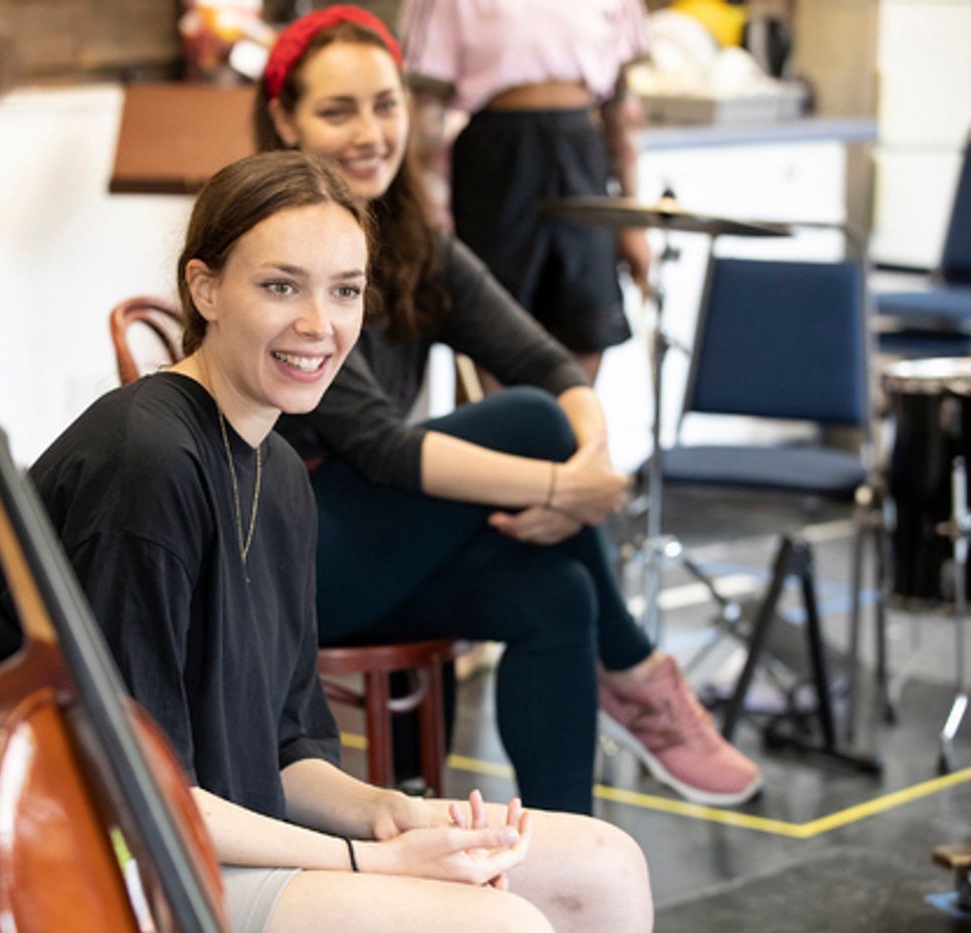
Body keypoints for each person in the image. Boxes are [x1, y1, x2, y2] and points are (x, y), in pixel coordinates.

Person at [0, 150, 653, 933]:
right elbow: (139, 792)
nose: (319, 325)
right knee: (496, 924)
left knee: (605, 864)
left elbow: (287, 750)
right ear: (205, 288)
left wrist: (390, 813)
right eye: (280, 285)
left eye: (346, 290)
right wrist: (371, 862)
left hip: (223, 834)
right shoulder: (145, 460)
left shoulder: (280, 472)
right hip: (108, 866)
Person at [256, 5, 761, 814]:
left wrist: (591, 464)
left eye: (385, 105)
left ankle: (568, 863)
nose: (370, 132)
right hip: (285, 562)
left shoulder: (413, 239)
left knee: (556, 590)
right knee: (528, 419)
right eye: (337, 110)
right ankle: (635, 674)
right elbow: (383, 446)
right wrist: (566, 487)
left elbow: (545, 357)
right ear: (283, 120)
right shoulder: (273, 243)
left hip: (379, 541)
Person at [401, 0, 653, 383]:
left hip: (582, 151)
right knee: (488, 324)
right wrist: (435, 225)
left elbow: (622, 106)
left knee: (587, 322)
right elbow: (425, 114)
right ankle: (498, 437)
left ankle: (573, 438)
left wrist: (635, 221)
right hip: (496, 157)